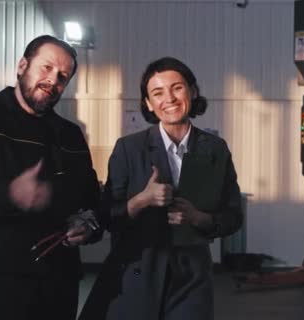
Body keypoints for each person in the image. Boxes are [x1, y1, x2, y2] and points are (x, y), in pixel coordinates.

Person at [0, 35, 101, 320]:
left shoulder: (70, 134)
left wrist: (88, 225)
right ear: (22, 65)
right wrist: (10, 195)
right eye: (46, 68)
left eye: (63, 76)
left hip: (59, 278)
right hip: (1, 279)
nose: (53, 80)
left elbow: (91, 198)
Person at [79, 57, 243, 320]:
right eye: (157, 93)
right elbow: (108, 215)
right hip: (137, 268)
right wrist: (141, 201)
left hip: (192, 275)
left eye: (177, 87)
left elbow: (234, 216)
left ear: (192, 91)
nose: (170, 98)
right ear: (148, 104)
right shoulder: (129, 148)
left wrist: (198, 217)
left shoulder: (215, 148)